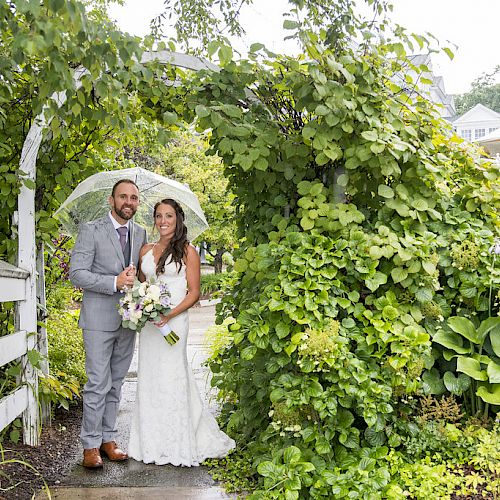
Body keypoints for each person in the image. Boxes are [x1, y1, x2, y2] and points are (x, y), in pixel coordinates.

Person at [128, 198, 235, 465]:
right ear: (154, 220)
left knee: (173, 374)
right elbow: (143, 286)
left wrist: (169, 314)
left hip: (174, 321)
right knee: (151, 376)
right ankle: (150, 443)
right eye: (159, 216)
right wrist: (140, 298)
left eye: (169, 216)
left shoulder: (188, 251)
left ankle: (177, 441)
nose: (163, 221)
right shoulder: (145, 250)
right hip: (151, 325)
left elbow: (194, 293)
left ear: (178, 220)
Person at [69, 179, 147, 469]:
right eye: (123, 197)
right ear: (111, 200)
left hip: (128, 320)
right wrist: (113, 282)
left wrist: (144, 287)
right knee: (97, 383)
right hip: (98, 319)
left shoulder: (140, 232)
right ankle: (90, 444)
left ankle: (108, 439)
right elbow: (76, 274)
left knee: (116, 383)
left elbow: (139, 274)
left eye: (134, 198)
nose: (129, 202)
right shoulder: (91, 230)